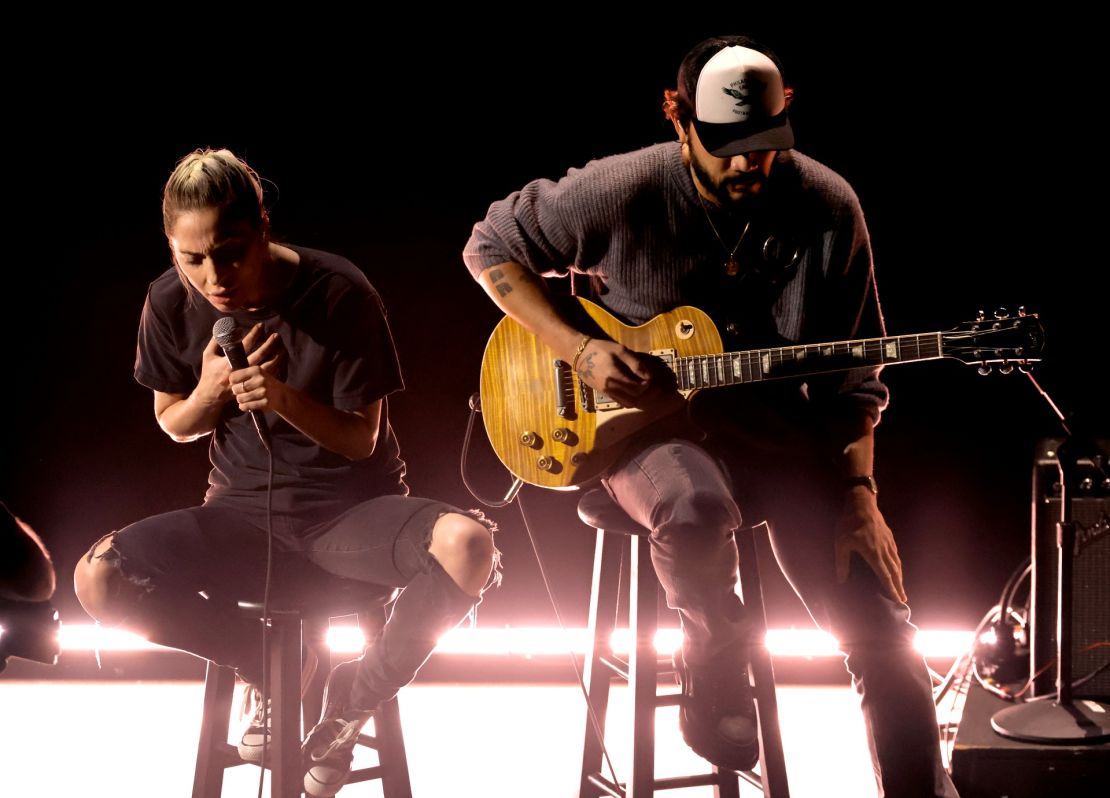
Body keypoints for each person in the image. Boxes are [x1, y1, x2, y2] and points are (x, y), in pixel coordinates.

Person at [464, 36, 957, 797]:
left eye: (760, 147)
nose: (742, 165)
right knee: (695, 506)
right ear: (678, 118)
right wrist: (580, 348)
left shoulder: (829, 207)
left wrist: (859, 496)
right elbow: (490, 245)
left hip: (782, 446)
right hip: (641, 436)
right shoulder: (623, 188)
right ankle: (712, 652)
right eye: (723, 146)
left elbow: (857, 377)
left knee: (886, 636)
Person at [73, 149, 499, 798]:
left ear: (263, 227)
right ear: (171, 247)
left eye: (230, 252)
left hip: (350, 518)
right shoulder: (167, 301)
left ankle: (347, 703)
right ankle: (270, 663)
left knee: (471, 546)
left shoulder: (340, 293)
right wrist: (211, 390)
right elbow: (173, 421)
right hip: (238, 520)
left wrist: (279, 396)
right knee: (98, 579)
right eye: (192, 259)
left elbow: (362, 439)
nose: (213, 275)